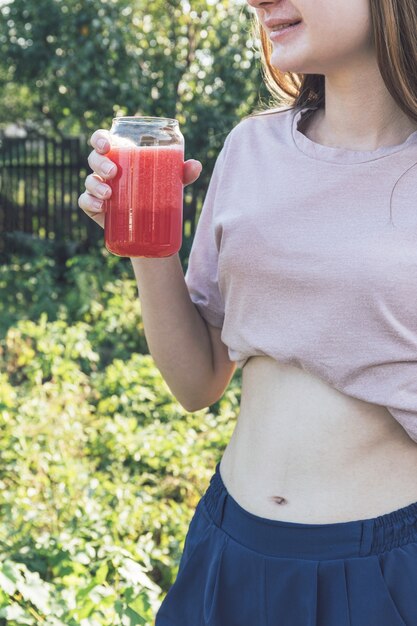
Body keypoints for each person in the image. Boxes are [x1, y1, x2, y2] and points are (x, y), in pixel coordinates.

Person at [78, 0, 417, 623]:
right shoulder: (251, 146)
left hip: (385, 570)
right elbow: (197, 380)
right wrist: (148, 244)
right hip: (228, 544)